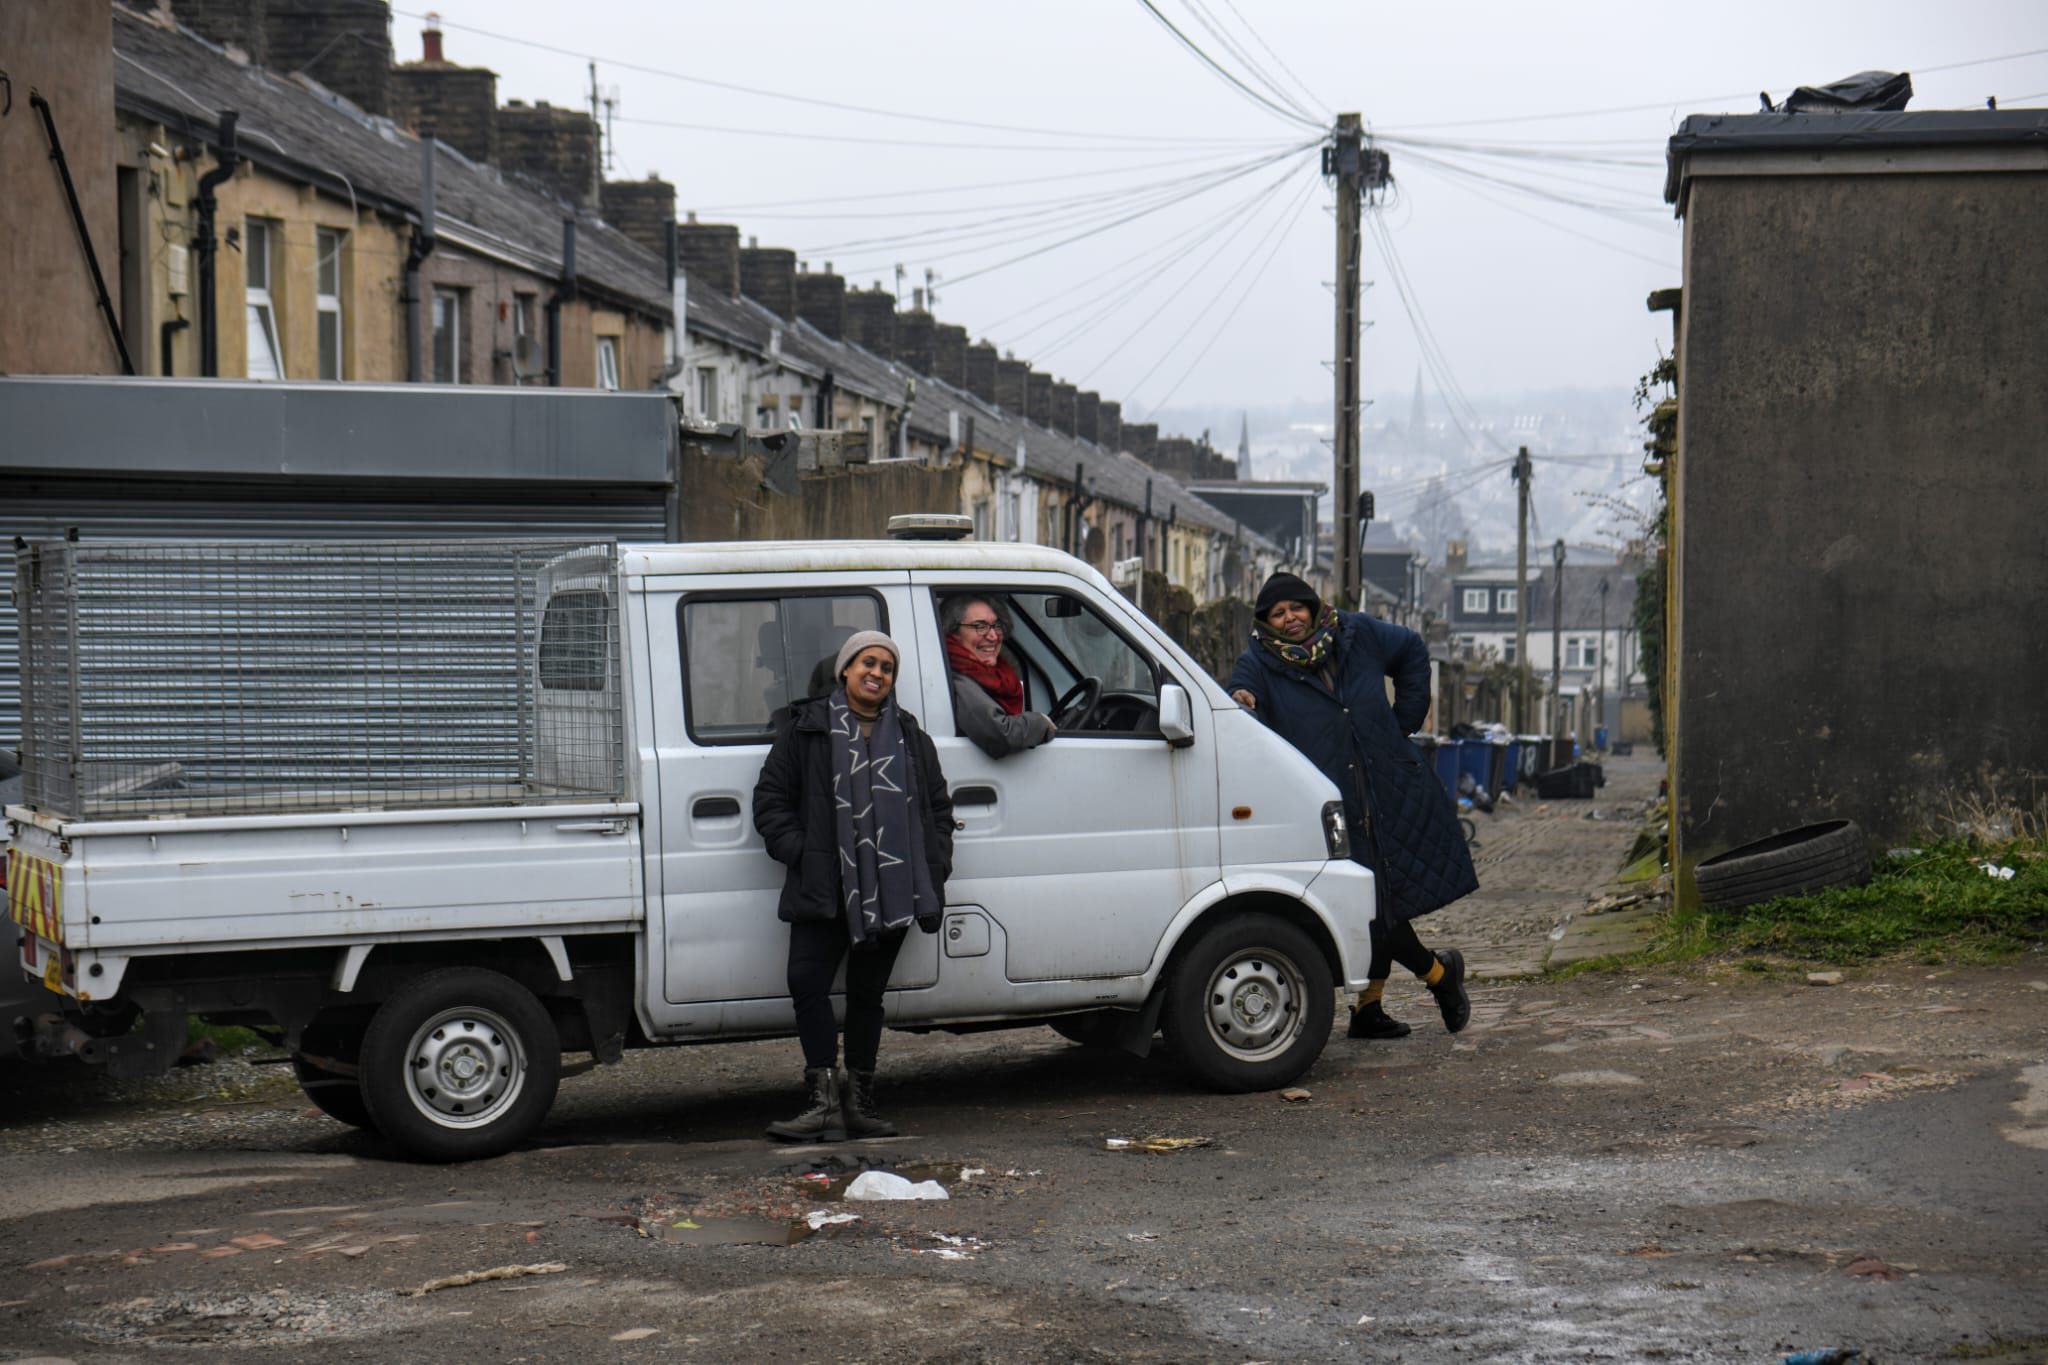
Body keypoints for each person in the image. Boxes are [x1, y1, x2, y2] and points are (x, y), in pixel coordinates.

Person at [1228, 572, 1478, 1040]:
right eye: (1278, 614)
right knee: (1370, 903)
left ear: (1312, 606)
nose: (1290, 619)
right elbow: (1240, 695)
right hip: (1329, 802)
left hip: (1386, 785)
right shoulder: (1258, 661)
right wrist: (1240, 700)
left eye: (1296, 608)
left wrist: (1401, 720)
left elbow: (1411, 650)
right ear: (1267, 623)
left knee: (1382, 898)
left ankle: (1369, 1009)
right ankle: (1439, 976)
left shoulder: (1356, 633)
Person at [752, 631, 954, 1141]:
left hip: (893, 886)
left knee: (868, 996)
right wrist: (806, 855)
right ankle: (821, 1103)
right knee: (807, 983)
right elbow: (770, 801)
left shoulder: (911, 737)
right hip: (826, 883)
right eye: (869, 662)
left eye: (887, 667)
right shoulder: (807, 730)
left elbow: (938, 810)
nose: (877, 673)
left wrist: (932, 866)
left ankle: (859, 1104)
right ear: (845, 669)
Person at [940, 594, 1056, 758]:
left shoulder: (995, 672)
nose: (993, 636)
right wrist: (1041, 723)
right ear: (953, 632)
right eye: (980, 626)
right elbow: (1000, 735)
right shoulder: (958, 679)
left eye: (997, 625)